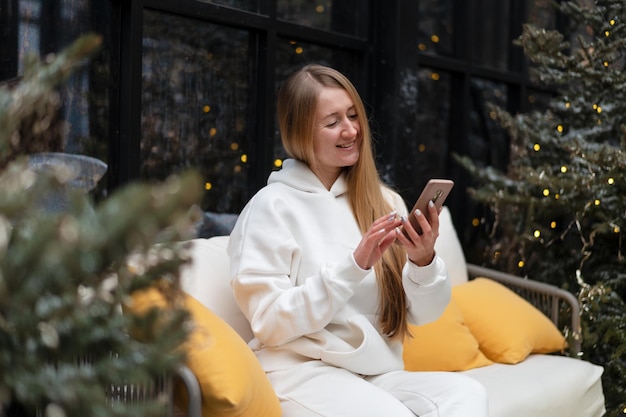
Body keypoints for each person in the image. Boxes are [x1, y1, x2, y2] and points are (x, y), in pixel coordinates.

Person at [226, 64, 488, 417]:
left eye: (353, 115)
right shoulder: (271, 207)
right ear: (300, 132)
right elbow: (270, 323)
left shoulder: (383, 201)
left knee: (467, 396)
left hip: (376, 373)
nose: (350, 130)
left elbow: (425, 315)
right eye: (332, 122)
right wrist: (354, 266)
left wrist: (424, 262)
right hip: (301, 372)